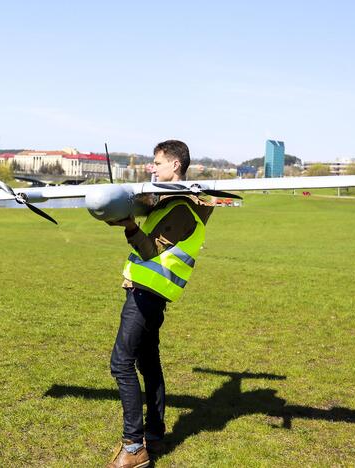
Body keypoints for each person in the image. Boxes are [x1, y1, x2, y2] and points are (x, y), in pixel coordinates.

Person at [106, 140, 214, 467]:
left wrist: (128, 226)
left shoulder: (182, 210)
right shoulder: (167, 204)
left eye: (157, 163)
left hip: (146, 295)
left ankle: (133, 447)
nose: (152, 167)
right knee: (147, 363)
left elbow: (150, 250)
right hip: (145, 293)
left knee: (121, 363)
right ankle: (154, 433)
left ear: (175, 166)